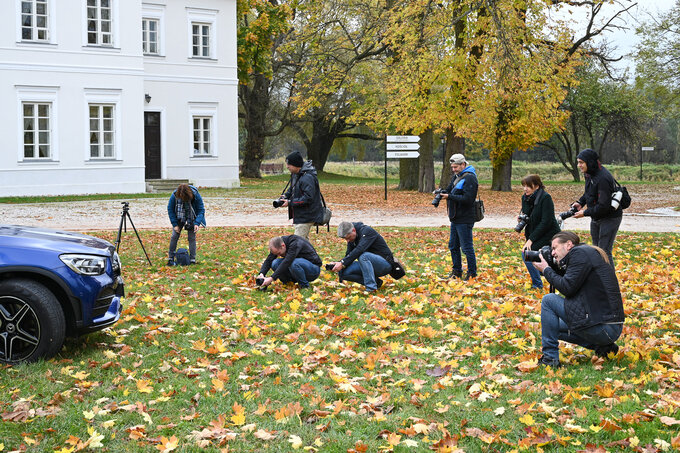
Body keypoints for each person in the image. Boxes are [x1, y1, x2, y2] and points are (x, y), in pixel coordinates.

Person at [533, 231, 624, 367]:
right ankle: (604, 348)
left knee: (549, 300)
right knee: (551, 326)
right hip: (609, 327)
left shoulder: (579, 254)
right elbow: (572, 286)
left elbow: (567, 288)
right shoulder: (585, 254)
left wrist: (546, 270)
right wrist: (553, 269)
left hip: (603, 326)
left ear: (569, 245)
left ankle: (550, 359)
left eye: (554, 248)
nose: (552, 253)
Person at [569, 148, 623, 265]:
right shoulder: (589, 174)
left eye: (581, 162)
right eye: (578, 162)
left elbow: (604, 206)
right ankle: (599, 279)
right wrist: (581, 202)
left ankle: (609, 281)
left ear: (590, 162)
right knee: (596, 250)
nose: (579, 165)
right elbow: (589, 192)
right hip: (596, 216)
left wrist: (585, 213)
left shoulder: (603, 178)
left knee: (604, 251)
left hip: (610, 217)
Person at [439, 153, 478, 280]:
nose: (454, 170)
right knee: (453, 246)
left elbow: (468, 199)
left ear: (463, 164)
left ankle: (472, 274)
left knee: (466, 248)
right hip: (455, 217)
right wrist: (441, 193)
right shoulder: (457, 177)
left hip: (465, 218)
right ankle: (457, 272)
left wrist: (449, 197)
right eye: (452, 167)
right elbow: (449, 190)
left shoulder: (470, 178)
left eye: (456, 167)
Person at [518, 174, 560, 289]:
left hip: (549, 233)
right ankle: (542, 274)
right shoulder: (525, 197)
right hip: (535, 232)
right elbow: (527, 214)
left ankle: (538, 283)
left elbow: (546, 221)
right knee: (530, 254)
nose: (525, 189)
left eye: (528, 186)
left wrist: (531, 240)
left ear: (537, 186)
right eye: (524, 186)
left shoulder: (545, 198)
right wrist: (522, 217)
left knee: (526, 253)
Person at [329, 221, 394, 292]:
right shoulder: (352, 238)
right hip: (368, 264)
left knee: (363, 256)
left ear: (353, 230)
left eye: (349, 237)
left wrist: (343, 263)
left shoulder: (367, 231)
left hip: (385, 264)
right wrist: (338, 264)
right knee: (345, 271)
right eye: (345, 239)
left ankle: (371, 288)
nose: (348, 241)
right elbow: (349, 255)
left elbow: (360, 249)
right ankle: (377, 282)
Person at [277, 151, 324, 240]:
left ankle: (307, 254)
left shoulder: (307, 177)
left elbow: (308, 198)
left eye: (289, 164)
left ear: (296, 164)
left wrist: (290, 202)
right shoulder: (296, 175)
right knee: (303, 242)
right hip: (301, 215)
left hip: (307, 215)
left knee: (298, 241)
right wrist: (285, 197)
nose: (287, 166)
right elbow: (292, 189)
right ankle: (311, 254)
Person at [257, 235, 322, 289]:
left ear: (283, 245)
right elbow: (269, 260)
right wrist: (262, 274)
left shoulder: (295, 243)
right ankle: (289, 283)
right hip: (296, 269)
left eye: (279, 253)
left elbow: (287, 261)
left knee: (294, 263)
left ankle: (305, 286)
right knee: (275, 263)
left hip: (313, 269)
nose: (279, 255)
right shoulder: (278, 246)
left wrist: (272, 278)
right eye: (276, 254)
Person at [167, 184, 205, 265]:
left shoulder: (196, 195)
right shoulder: (174, 195)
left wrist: (197, 223)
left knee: (192, 238)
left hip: (191, 217)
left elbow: (201, 210)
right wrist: (175, 225)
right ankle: (170, 258)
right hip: (179, 217)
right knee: (174, 236)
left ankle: (192, 259)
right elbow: (170, 209)